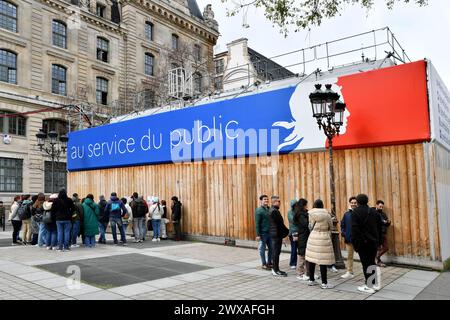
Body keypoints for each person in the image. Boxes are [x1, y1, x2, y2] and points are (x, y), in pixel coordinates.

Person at [351, 194, 383, 294]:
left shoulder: (355, 212)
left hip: (362, 243)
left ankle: (368, 285)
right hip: (373, 242)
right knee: (371, 262)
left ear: (358, 202)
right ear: (367, 201)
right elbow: (379, 228)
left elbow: (354, 230)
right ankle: (373, 283)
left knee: (365, 264)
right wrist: (379, 241)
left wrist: (355, 244)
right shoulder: (374, 212)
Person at [305, 199, 335, 289]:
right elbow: (331, 226)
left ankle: (311, 280)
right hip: (324, 237)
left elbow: (310, 226)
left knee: (312, 259)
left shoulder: (311, 214)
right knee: (323, 261)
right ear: (322, 205)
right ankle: (324, 283)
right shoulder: (327, 214)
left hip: (313, 237)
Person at [269, 196, 289, 277]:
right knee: (276, 253)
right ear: (274, 202)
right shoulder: (274, 211)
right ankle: (275, 270)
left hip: (275, 234)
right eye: (279, 201)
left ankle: (276, 269)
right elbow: (280, 225)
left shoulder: (273, 210)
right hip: (276, 235)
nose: (280, 203)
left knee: (276, 252)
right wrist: (286, 232)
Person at [293, 198, 310, 281]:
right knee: (301, 255)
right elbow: (306, 224)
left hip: (305, 235)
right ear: (303, 205)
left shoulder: (304, 213)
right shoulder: (300, 214)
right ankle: (300, 273)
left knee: (306, 255)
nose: (307, 206)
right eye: (306, 204)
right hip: (303, 236)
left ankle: (308, 273)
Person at [341, 196, 357, 279]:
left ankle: (368, 274)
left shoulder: (359, 213)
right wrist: (344, 233)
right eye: (352, 203)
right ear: (350, 203)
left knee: (363, 257)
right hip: (349, 239)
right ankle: (349, 272)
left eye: (355, 203)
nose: (353, 204)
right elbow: (342, 225)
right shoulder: (346, 214)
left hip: (358, 240)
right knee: (349, 256)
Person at [255, 195, 272, 270]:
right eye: (265, 199)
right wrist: (258, 235)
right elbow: (257, 223)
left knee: (271, 248)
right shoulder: (259, 210)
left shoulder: (270, 209)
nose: (266, 200)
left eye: (267, 199)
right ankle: (263, 263)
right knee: (262, 249)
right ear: (261, 201)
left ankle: (269, 263)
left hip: (270, 233)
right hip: (263, 233)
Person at [375, 200, 391, 267]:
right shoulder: (374, 213)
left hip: (383, 233)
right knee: (378, 248)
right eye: (380, 206)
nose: (381, 208)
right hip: (377, 233)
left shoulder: (383, 214)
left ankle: (377, 258)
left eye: (382, 207)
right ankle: (378, 261)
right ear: (376, 205)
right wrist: (382, 222)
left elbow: (386, 224)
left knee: (386, 247)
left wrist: (388, 222)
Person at [287, 199, 298, 269]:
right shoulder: (290, 212)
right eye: (296, 205)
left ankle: (299, 262)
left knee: (300, 249)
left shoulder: (298, 211)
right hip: (293, 233)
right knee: (294, 248)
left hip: (300, 232)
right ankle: (292, 263)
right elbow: (293, 221)